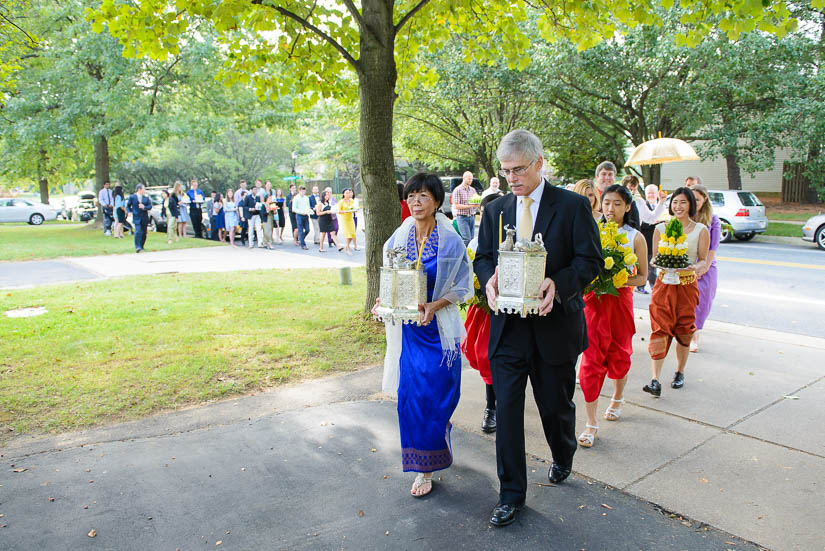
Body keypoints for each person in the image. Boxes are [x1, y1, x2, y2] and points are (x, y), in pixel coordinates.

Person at [474, 129, 602, 527]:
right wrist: (489, 279)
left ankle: (563, 454)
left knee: (556, 409)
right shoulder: (495, 211)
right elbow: (481, 258)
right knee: (507, 413)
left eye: (518, 169)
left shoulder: (573, 206)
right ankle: (511, 494)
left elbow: (590, 261)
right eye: (505, 170)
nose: (511, 177)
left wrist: (557, 284)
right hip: (508, 332)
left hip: (554, 329)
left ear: (539, 164)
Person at [372, 172, 473, 499]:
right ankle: (423, 467)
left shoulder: (451, 240)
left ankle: (439, 432)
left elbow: (463, 286)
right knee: (412, 400)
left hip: (440, 334)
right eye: (412, 195)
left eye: (424, 196)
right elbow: (389, 278)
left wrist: (435, 304)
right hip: (410, 335)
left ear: (437, 202)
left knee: (440, 397)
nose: (416, 201)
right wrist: (382, 302)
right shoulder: (397, 239)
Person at [577, 185, 648, 448]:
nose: (611, 209)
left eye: (617, 203)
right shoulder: (591, 231)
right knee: (591, 361)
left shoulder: (635, 237)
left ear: (628, 207)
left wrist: (617, 278)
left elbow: (642, 276)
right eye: (607, 203)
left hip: (620, 302)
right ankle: (590, 423)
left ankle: (617, 398)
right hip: (593, 303)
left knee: (619, 354)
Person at [643, 187, 710, 397]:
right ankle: (655, 380)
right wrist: (657, 263)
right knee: (659, 328)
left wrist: (693, 268)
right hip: (663, 285)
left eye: (683, 202)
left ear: (691, 204)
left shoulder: (701, 230)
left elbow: (703, 261)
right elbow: (654, 258)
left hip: (687, 285)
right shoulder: (660, 229)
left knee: (684, 328)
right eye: (674, 202)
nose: (678, 206)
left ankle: (680, 371)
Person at [462, 192, 505, 434]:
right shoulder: (475, 243)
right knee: (485, 355)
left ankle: (499, 406)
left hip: (507, 310)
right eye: (483, 213)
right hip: (484, 310)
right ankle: (492, 406)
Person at [689, 185, 721, 352]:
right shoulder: (685, 217)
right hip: (687, 265)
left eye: (697, 200)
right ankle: (685, 334)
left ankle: (695, 336)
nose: (694, 203)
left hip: (706, 267)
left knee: (701, 303)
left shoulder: (712, 220)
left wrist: (703, 269)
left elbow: (712, 248)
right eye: (691, 199)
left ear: (705, 200)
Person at [634, 183, 668, 294]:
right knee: (646, 266)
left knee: (652, 267)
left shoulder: (660, 206)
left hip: (657, 240)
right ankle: (646, 287)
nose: (651, 195)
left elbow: (653, 218)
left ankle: (653, 287)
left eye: (653, 193)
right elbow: (647, 221)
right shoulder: (640, 203)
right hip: (645, 240)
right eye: (649, 193)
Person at [594, 161, 640, 229]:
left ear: (615, 178)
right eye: (603, 174)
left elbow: (635, 227)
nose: (607, 178)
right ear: (596, 177)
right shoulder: (589, 198)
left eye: (610, 174)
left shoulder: (626, 198)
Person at [451, 171, 478, 246]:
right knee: (466, 239)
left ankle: (470, 256)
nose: (470, 180)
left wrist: (477, 203)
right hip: (462, 217)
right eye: (469, 179)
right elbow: (456, 206)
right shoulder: (458, 190)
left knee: (472, 240)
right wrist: (470, 206)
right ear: (464, 178)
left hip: (472, 216)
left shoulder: (472, 190)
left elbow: (476, 202)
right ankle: (462, 255)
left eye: (471, 179)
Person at [128, 184, 152, 253]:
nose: (144, 190)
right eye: (143, 189)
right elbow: (128, 206)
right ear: (139, 189)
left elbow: (150, 206)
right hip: (136, 217)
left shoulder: (146, 198)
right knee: (138, 231)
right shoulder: (132, 197)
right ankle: (137, 247)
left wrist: (144, 207)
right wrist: (129, 212)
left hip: (144, 217)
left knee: (144, 232)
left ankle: (142, 245)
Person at [337, 188, 357, 255]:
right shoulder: (341, 201)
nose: (348, 194)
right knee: (348, 235)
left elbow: (353, 208)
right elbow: (338, 211)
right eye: (346, 193)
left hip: (351, 219)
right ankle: (348, 249)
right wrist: (344, 211)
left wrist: (354, 210)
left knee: (352, 234)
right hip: (345, 220)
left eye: (349, 193)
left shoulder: (351, 200)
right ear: (343, 194)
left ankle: (346, 246)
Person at [292, 185, 312, 250]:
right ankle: (303, 245)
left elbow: (308, 206)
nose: (303, 192)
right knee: (300, 230)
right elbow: (294, 208)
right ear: (299, 191)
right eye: (302, 191)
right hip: (299, 215)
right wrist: (301, 212)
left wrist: (309, 211)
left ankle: (301, 239)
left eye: (304, 191)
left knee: (307, 229)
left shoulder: (306, 198)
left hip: (306, 215)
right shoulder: (296, 198)